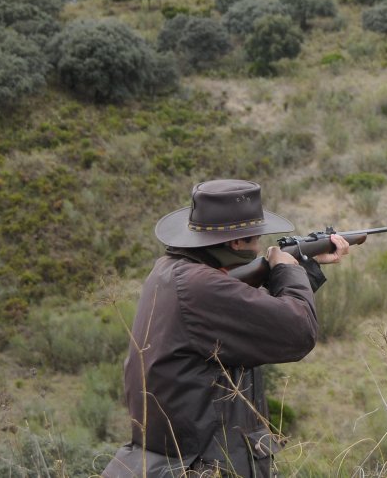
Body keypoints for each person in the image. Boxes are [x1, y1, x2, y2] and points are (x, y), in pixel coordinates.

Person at [103, 179, 355, 478]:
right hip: (206, 464)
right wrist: (287, 268)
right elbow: (298, 331)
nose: (260, 245)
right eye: (255, 238)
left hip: (178, 462)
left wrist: (306, 266)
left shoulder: (170, 271)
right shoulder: (201, 286)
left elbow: (255, 318)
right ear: (236, 243)